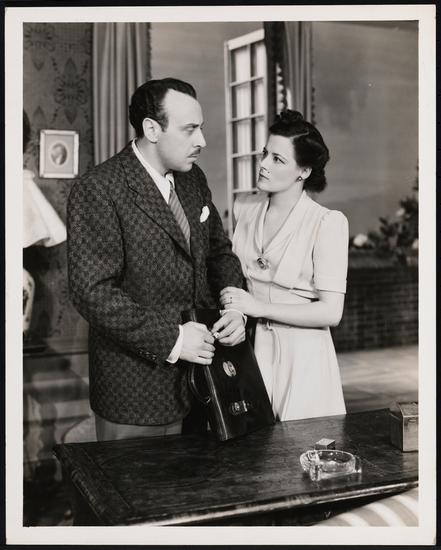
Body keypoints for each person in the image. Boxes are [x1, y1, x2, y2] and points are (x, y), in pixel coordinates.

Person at [67, 78, 246, 441]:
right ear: (151, 129)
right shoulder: (99, 188)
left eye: (201, 128)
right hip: (137, 395)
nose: (202, 140)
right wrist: (174, 340)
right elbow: (93, 292)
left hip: (206, 387)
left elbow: (219, 252)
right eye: (190, 130)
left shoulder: (193, 180)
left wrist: (235, 306)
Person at [220, 110, 348, 421]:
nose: (263, 164)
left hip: (304, 359)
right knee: (251, 445)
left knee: (301, 446)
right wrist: (238, 310)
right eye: (265, 153)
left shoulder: (326, 223)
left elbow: (331, 312)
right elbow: (232, 274)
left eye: (277, 159)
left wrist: (258, 307)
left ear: (303, 171)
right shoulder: (244, 208)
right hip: (250, 352)